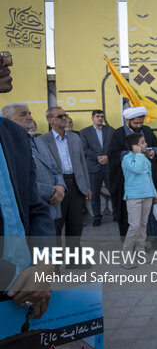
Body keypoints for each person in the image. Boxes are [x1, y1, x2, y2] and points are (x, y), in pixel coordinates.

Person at [0, 51, 54, 319]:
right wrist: (12, 280)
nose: (8, 61)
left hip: (29, 292)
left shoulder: (15, 136)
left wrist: (44, 265)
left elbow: (35, 209)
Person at [108, 106, 157, 244]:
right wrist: (134, 155)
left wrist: (153, 152)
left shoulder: (147, 131)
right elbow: (113, 155)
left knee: (153, 210)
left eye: (141, 123)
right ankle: (135, 244)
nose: (139, 126)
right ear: (128, 120)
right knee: (134, 218)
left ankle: (155, 239)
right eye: (136, 123)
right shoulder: (118, 134)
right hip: (130, 182)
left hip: (149, 179)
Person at [39, 106, 92, 267]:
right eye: (59, 116)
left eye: (65, 115)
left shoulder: (75, 138)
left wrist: (87, 187)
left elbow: (83, 163)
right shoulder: (42, 141)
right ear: (50, 120)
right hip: (56, 187)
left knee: (75, 225)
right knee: (55, 226)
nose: (64, 118)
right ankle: (53, 265)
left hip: (76, 184)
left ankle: (73, 260)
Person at [2, 103, 66, 223]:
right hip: (29, 211)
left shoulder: (39, 142)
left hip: (51, 209)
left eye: (30, 113)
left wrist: (61, 187)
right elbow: (16, 180)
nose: (30, 117)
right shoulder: (6, 146)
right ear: (7, 120)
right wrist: (51, 191)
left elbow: (55, 169)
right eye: (23, 114)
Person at [121, 132, 157, 269]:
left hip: (147, 195)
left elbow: (149, 178)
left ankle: (140, 252)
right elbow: (136, 170)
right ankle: (126, 257)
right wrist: (138, 154)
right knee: (134, 226)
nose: (146, 145)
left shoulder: (144, 159)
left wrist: (154, 193)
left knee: (143, 225)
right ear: (135, 146)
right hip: (133, 197)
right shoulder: (127, 159)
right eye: (143, 143)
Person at [80, 109, 114, 226]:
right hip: (94, 166)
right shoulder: (84, 132)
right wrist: (99, 157)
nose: (100, 118)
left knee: (114, 191)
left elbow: (114, 146)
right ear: (92, 118)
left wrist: (107, 157)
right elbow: (84, 149)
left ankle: (116, 215)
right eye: (98, 116)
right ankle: (97, 217)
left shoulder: (110, 130)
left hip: (108, 166)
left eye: (102, 116)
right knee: (95, 193)